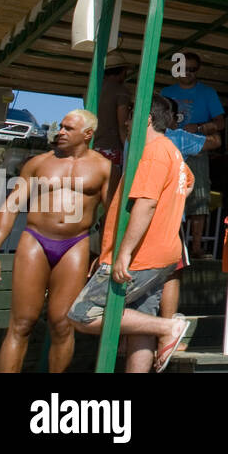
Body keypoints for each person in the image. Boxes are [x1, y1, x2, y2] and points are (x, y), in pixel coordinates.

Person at [67, 95, 193, 373]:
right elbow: (188, 183)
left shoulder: (153, 151)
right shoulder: (171, 151)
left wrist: (122, 253)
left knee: (81, 315)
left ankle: (169, 326)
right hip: (163, 253)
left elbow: (146, 205)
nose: (125, 121)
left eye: (131, 115)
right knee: (140, 322)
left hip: (141, 255)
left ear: (146, 119)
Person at [0, 110, 111, 372]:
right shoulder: (39, 163)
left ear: (87, 134)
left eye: (68, 128)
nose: (60, 132)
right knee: (22, 323)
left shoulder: (105, 168)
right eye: (60, 126)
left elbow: (112, 216)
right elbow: (10, 207)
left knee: (63, 324)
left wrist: (105, 255)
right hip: (35, 241)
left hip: (75, 244)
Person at [161, 51, 224, 260]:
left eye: (193, 69)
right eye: (183, 68)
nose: (188, 72)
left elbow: (220, 123)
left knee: (199, 197)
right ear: (175, 67)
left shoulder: (207, 92)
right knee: (166, 196)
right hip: (166, 148)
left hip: (196, 149)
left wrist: (197, 127)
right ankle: (171, 243)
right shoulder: (165, 91)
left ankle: (195, 247)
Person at [92, 52, 132, 192]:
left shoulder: (91, 90)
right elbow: (122, 125)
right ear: (122, 71)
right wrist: (129, 150)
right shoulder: (121, 91)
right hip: (111, 149)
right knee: (110, 193)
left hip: (92, 147)